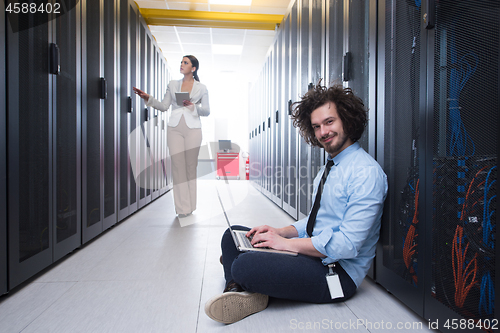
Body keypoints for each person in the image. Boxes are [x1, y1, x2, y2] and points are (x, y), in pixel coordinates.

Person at [204, 82, 388, 324]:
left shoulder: (366, 173)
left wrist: (285, 245)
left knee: (244, 263)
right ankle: (241, 290)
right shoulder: (328, 168)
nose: (323, 132)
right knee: (233, 235)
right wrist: (279, 232)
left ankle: (239, 278)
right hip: (312, 255)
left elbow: (347, 246)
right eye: (316, 127)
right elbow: (315, 220)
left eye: (329, 122)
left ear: (347, 119)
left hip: (336, 272)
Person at [133, 55, 210, 218]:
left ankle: (190, 205)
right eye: (181, 62)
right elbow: (163, 106)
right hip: (174, 128)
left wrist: (193, 106)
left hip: (193, 129)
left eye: (186, 63)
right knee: (177, 166)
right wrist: (148, 99)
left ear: (193, 68)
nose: (182, 64)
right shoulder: (173, 84)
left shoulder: (201, 88)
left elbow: (207, 111)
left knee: (190, 167)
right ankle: (182, 208)